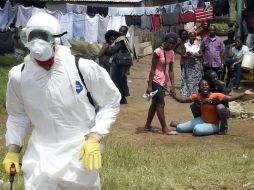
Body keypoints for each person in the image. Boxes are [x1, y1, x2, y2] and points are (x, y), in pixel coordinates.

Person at [2, 13, 121, 190]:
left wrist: (95, 136)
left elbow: (110, 101)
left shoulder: (82, 68)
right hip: (40, 157)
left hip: (79, 155)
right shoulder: (19, 75)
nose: (37, 43)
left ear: (56, 39)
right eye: (32, 37)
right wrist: (13, 150)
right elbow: (18, 115)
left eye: (43, 36)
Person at [171, 79, 253, 136]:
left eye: (206, 85)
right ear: (199, 88)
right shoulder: (197, 95)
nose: (204, 86)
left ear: (209, 87)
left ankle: (220, 129)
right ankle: (180, 125)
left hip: (213, 124)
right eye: (202, 85)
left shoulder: (216, 95)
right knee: (179, 128)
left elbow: (230, 98)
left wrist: (243, 93)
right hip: (201, 120)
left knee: (197, 130)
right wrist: (174, 96)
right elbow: (184, 100)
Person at [144, 32, 177, 135]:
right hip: (154, 80)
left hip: (163, 80)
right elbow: (152, 69)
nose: (171, 45)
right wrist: (149, 85)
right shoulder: (158, 51)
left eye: (173, 43)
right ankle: (164, 128)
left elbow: (171, 70)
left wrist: (173, 85)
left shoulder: (171, 53)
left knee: (154, 103)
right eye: (170, 42)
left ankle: (147, 126)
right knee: (160, 103)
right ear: (165, 41)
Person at [190, 70, 230, 134]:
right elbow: (198, 96)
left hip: (222, 109)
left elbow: (224, 101)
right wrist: (198, 102)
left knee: (220, 107)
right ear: (208, 80)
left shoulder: (221, 85)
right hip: (208, 110)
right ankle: (200, 122)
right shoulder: (205, 86)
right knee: (193, 106)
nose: (216, 79)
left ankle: (223, 128)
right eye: (213, 78)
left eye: (216, 77)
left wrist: (210, 101)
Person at [106, 26, 133, 104]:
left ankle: (121, 98)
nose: (120, 32)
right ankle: (122, 98)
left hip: (118, 64)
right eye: (120, 30)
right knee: (121, 80)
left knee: (116, 80)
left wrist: (108, 47)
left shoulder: (121, 40)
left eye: (122, 31)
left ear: (125, 33)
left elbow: (112, 50)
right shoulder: (124, 40)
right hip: (122, 63)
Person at [180, 31, 202, 97]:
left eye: (194, 36)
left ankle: (195, 93)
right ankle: (188, 93)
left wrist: (195, 55)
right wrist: (187, 55)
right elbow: (183, 54)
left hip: (196, 65)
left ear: (195, 37)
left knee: (196, 79)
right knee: (187, 78)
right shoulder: (185, 44)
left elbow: (201, 55)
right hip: (188, 64)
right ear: (188, 37)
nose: (192, 37)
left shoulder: (198, 44)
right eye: (191, 36)